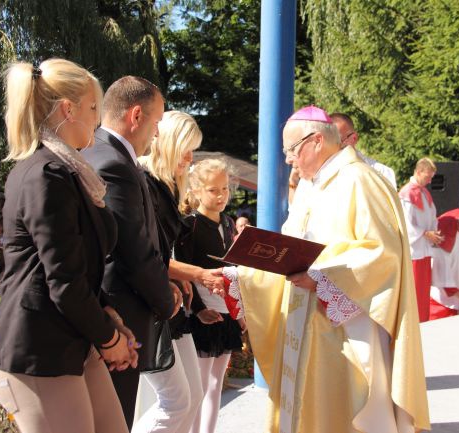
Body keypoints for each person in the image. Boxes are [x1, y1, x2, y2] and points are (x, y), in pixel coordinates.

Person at [223, 106, 429, 433]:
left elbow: (382, 253)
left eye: (291, 150)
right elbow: (289, 247)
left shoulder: (360, 180)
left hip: (346, 331)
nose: (288, 159)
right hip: (307, 323)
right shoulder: (314, 186)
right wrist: (242, 274)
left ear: (317, 141)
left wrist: (321, 277)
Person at [0, 58, 134, 433]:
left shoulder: (66, 172)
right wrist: (109, 337)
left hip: (70, 338)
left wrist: (108, 319)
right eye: (94, 108)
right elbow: (63, 281)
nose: (99, 121)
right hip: (37, 351)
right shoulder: (45, 175)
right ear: (69, 110)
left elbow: (78, 269)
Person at [83, 76, 181, 429]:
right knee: (114, 418)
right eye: (156, 123)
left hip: (116, 308)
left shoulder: (104, 153)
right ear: (136, 115)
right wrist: (165, 300)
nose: (157, 134)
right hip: (119, 311)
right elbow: (132, 249)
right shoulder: (113, 163)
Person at [133, 111, 224, 433]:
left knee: (193, 396)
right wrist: (195, 275)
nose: (189, 157)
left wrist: (181, 278)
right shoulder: (143, 182)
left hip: (172, 304)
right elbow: (143, 254)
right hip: (151, 304)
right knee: (177, 402)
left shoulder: (167, 187)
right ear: (168, 142)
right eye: (186, 147)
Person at [175, 158, 245, 433]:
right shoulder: (188, 225)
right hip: (200, 313)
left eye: (225, 189)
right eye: (213, 190)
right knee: (199, 385)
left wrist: (239, 311)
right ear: (196, 190)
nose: (221, 196)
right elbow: (183, 269)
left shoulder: (228, 223)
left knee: (216, 383)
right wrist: (200, 308)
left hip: (226, 309)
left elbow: (232, 271)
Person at [399, 157, 441, 322]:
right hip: (414, 249)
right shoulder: (407, 193)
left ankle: (423, 319)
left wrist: (433, 232)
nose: (430, 181)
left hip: (424, 248)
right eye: (428, 177)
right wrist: (424, 233)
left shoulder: (424, 192)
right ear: (418, 172)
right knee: (414, 287)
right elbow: (405, 223)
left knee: (423, 288)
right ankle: (413, 322)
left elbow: (431, 215)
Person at [330, 112, 397, 189]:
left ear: (354, 138)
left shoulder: (381, 172)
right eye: (328, 142)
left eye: (338, 141)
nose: (332, 148)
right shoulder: (323, 173)